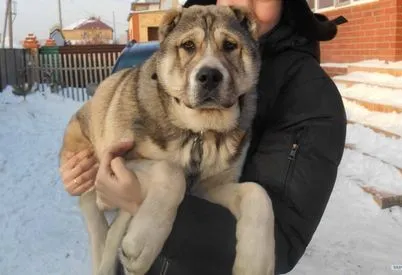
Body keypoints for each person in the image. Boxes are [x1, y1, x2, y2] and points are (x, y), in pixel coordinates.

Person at [59, 0, 347, 274]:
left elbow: (282, 245)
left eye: (230, 46)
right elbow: (96, 133)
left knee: (253, 198)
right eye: (188, 46)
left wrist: (145, 202)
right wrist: (76, 166)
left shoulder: (311, 96)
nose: (244, 2)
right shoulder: (157, 79)